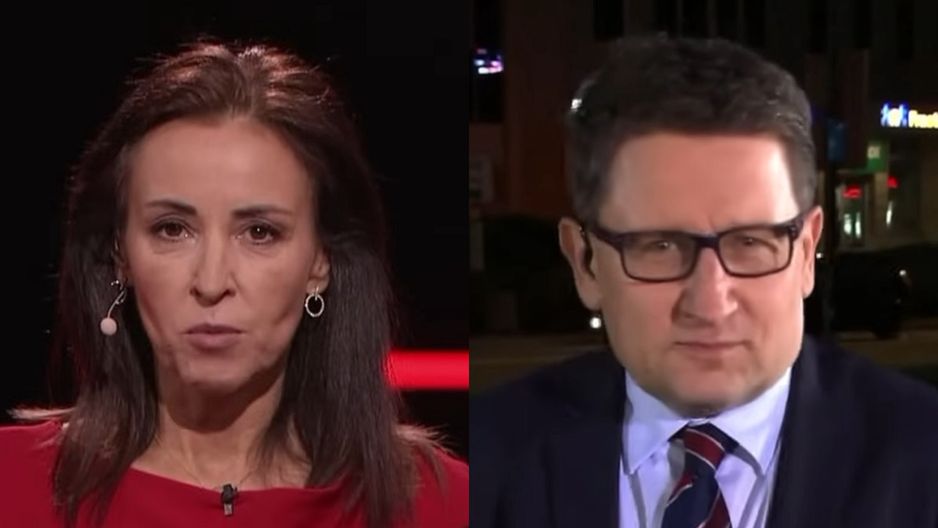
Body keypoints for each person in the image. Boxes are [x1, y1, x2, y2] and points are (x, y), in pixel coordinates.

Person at [470, 35, 938, 528]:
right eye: (660, 246)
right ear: (585, 263)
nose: (710, 303)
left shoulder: (924, 456)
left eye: (751, 242)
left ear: (805, 253)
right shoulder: (477, 461)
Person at [0, 40, 468, 528]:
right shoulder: (11, 485)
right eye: (172, 229)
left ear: (320, 262)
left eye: (259, 233)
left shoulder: (442, 506)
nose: (211, 282)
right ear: (120, 255)